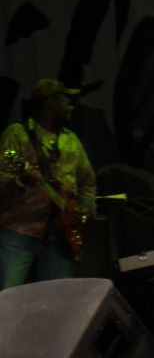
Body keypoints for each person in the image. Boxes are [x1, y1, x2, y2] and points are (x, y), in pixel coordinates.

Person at [0, 78, 96, 289]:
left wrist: (84, 210)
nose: (71, 106)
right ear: (50, 103)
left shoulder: (71, 139)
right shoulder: (17, 134)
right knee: (8, 296)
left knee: (58, 297)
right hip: (19, 231)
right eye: (66, 100)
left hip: (59, 236)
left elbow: (87, 183)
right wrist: (18, 181)